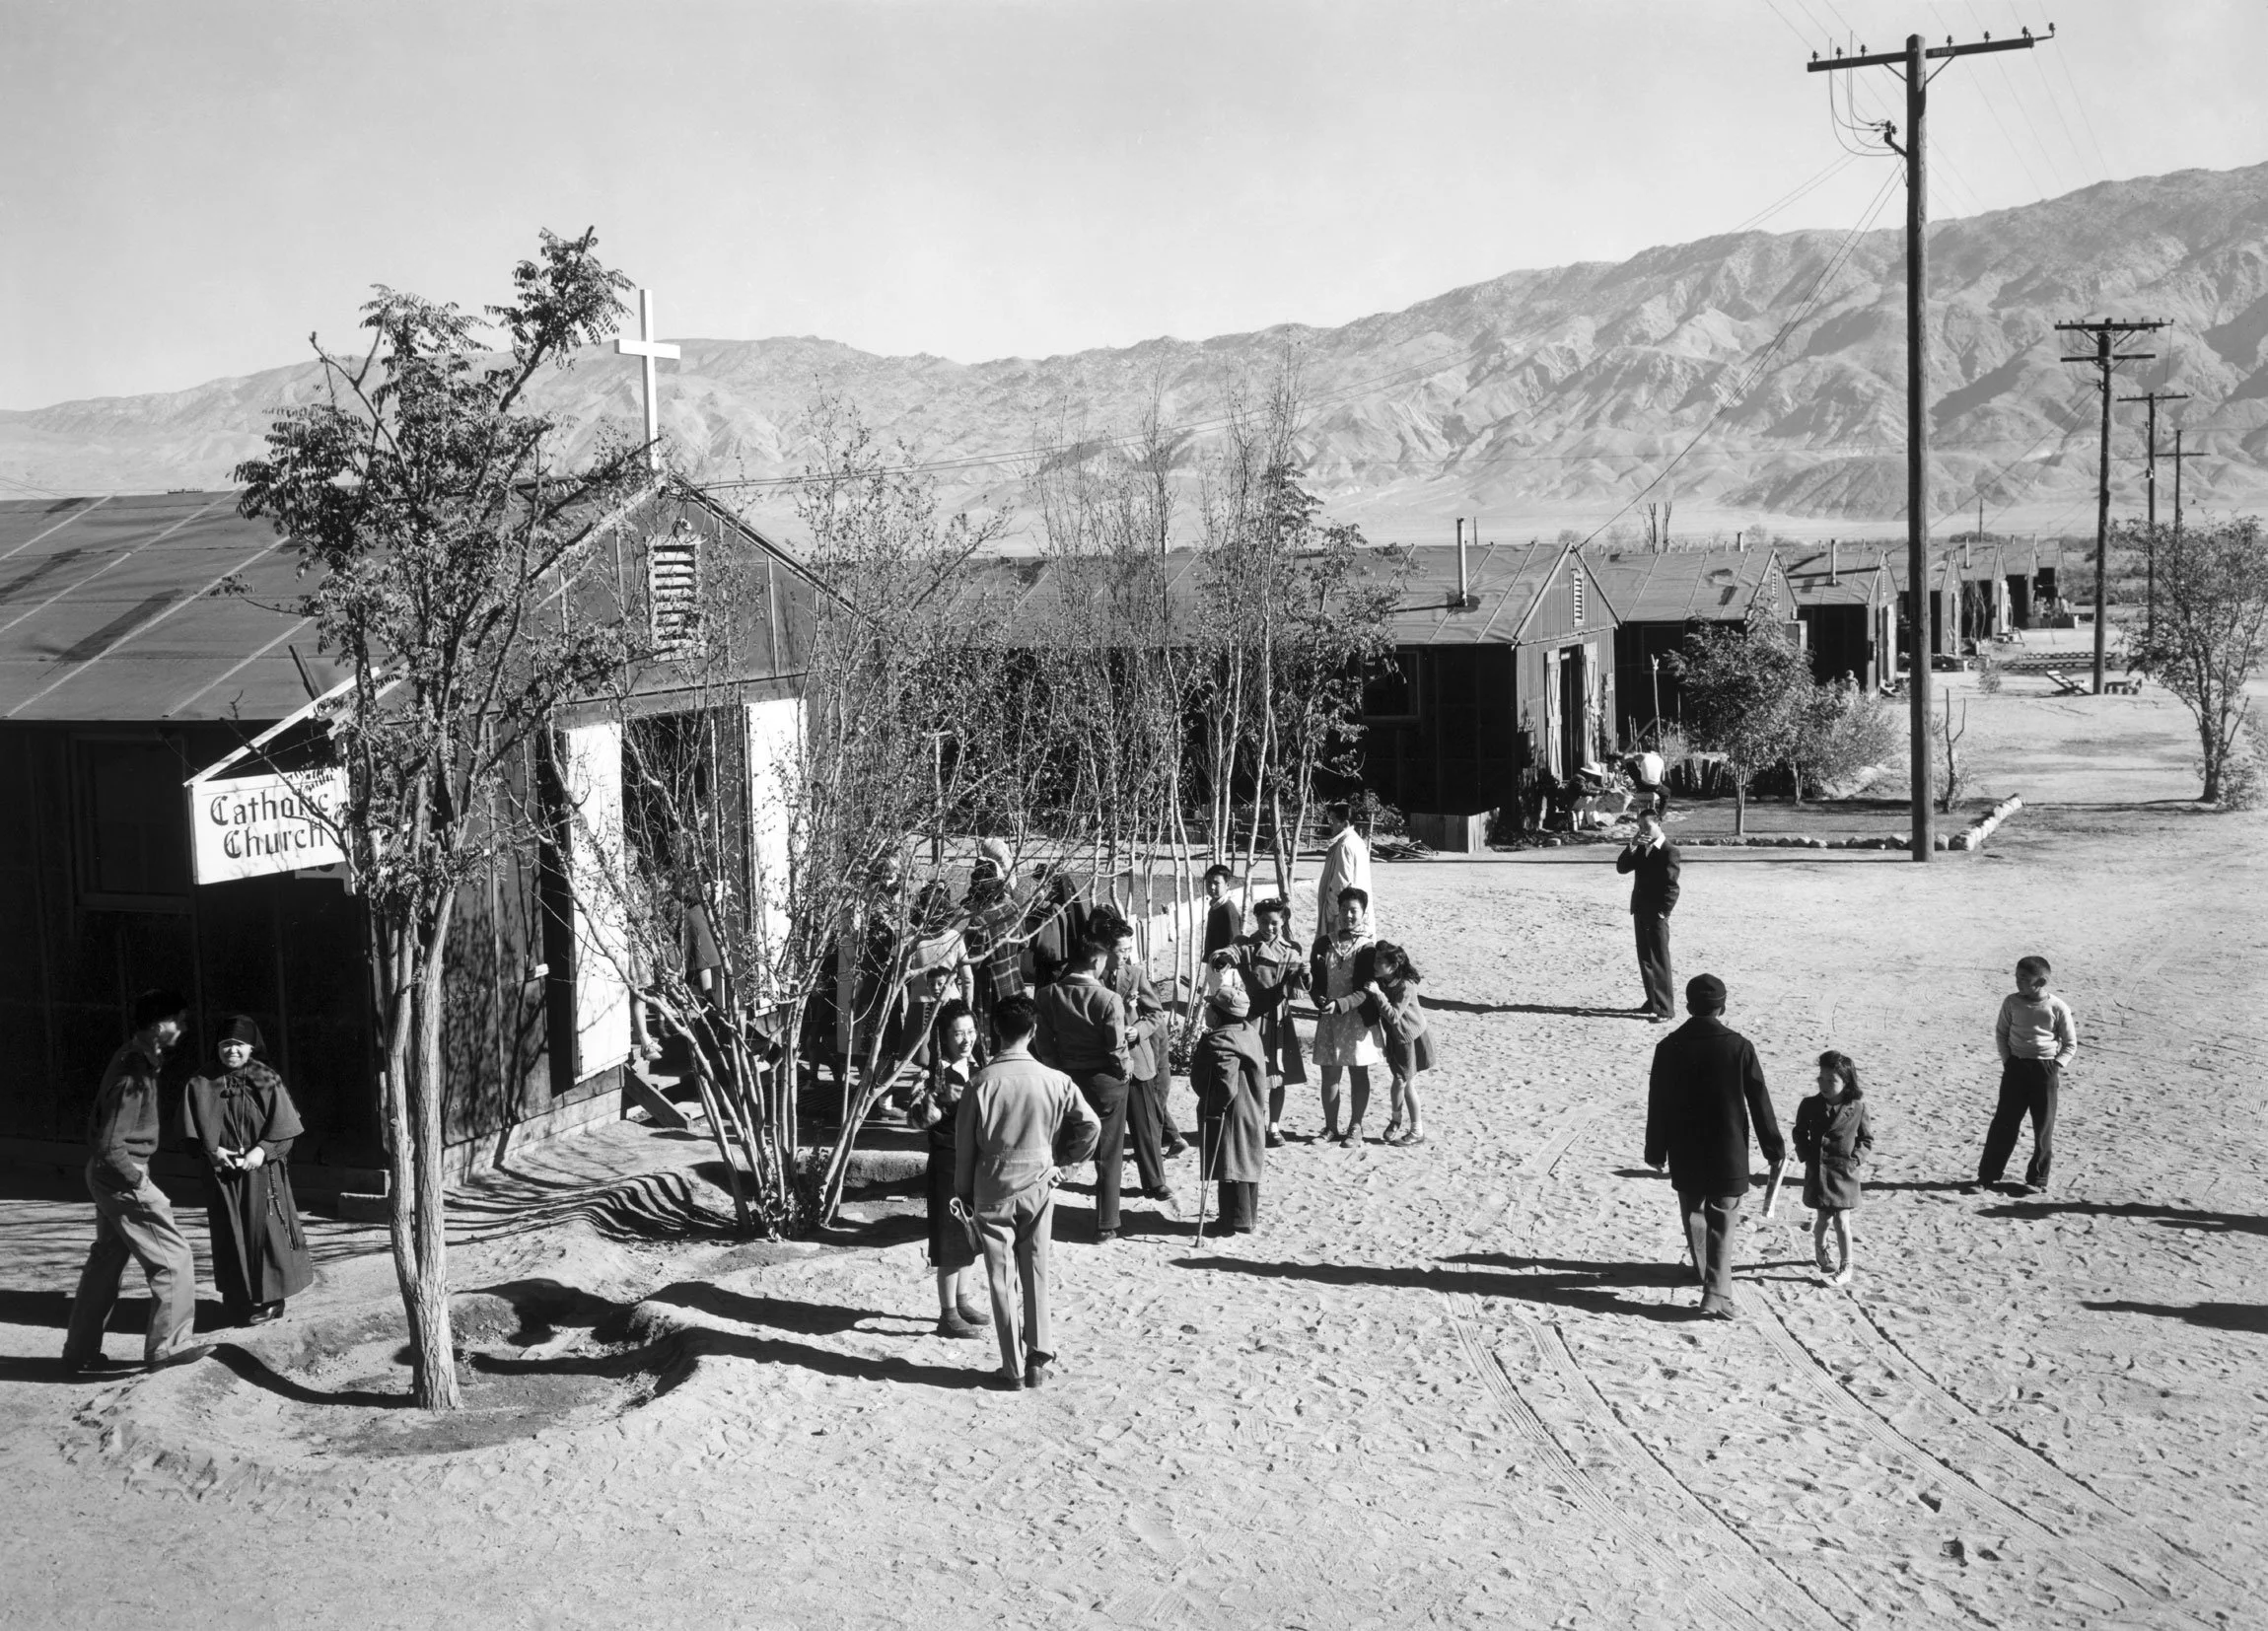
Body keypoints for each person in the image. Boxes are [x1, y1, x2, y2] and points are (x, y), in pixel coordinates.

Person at [955, 994, 1101, 1389]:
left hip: (991, 1187)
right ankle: (1039, 1353)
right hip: (1040, 1183)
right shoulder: (1056, 1080)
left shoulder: (980, 1083)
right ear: (1033, 1031)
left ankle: (1013, 1367)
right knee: (1036, 1268)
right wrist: (1068, 1167)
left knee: (1001, 1279)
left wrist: (962, 1194)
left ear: (993, 1031)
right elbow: (1091, 1126)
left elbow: (965, 1148)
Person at [62, 988, 199, 1374]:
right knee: (174, 1259)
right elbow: (109, 1144)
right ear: (159, 1027)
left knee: (107, 1259)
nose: (184, 1028)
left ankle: (80, 1351)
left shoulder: (136, 1058)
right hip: (121, 1174)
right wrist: (137, 1182)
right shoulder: (133, 1073)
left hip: (110, 1173)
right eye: (180, 1021)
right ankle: (168, 1348)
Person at [1643, 973, 1786, 1318]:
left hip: (1684, 1146)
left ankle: (1703, 1270)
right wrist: (1773, 1147)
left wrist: (1655, 1150)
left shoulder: (1669, 1046)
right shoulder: (1739, 1046)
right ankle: (1716, 1293)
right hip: (1728, 1148)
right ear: (1722, 1006)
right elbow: (1759, 1100)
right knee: (1723, 1216)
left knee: (1694, 1211)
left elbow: (1658, 1102)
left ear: (1689, 1006)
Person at [182, 1016, 315, 1326]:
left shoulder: (266, 1078)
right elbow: (190, 1133)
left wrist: (262, 1151)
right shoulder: (200, 1081)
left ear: (250, 1047)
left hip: (261, 1173)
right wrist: (212, 1152)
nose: (232, 1051)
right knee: (228, 1232)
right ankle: (237, 1297)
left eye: (239, 1045)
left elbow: (286, 1130)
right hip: (223, 1174)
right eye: (225, 1044)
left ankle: (271, 1299)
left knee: (264, 1233)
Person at [1033, 928, 1156, 1242]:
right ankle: (1106, 1223)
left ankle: (1034, 1208)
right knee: (1108, 1154)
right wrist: (1126, 1069)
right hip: (1105, 1083)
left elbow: (1044, 1043)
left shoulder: (1047, 994)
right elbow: (1116, 1048)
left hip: (1065, 1080)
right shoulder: (1107, 998)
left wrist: (1056, 1071)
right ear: (1095, 960)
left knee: (1056, 1148)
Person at [910, 999, 989, 1339]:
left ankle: (962, 1300)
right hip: (947, 1165)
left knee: (970, 1235)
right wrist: (939, 1100)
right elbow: (916, 1119)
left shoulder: (977, 1067)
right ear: (944, 1036)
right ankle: (947, 1314)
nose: (966, 1039)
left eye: (970, 1031)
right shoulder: (933, 1076)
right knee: (949, 1239)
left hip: (975, 1165)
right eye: (958, 1033)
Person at [1969, 956, 2078, 1196]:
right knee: (2003, 1125)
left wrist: (2056, 1066)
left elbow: (2070, 1043)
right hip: (2016, 1069)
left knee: (2043, 1127)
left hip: (2045, 1071)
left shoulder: (2057, 1007)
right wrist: (2008, 1061)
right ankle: (1986, 1177)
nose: (2018, 982)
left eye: (2024, 979)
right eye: (2017, 977)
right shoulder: (2011, 1002)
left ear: (2041, 981)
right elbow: (2002, 1033)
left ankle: (2037, 1179)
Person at [1097, 905, 1184, 1173]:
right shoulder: (1093, 978)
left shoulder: (1136, 974)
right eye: (1121, 950)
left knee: (1146, 1126)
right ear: (1105, 950)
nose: (1126, 955)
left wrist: (1139, 1030)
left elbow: (1156, 1014)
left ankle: (1155, 1179)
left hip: (1138, 1060)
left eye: (1128, 949)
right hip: (1105, 1060)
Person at [1216, 898, 1308, 1146]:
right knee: (1249, 1073)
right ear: (1257, 920)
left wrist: (1304, 975)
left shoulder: (1291, 950)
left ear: (1284, 921)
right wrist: (1221, 957)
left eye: (1275, 922)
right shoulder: (1245, 945)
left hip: (1278, 1017)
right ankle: (1253, 1121)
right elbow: (1229, 953)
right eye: (1264, 922)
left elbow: (1300, 978)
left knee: (1277, 1074)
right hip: (1251, 1018)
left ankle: (1274, 1126)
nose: (1269, 927)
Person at [1189, 967, 1268, 1235]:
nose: (1208, 1011)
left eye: (1211, 1008)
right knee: (1246, 1160)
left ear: (1220, 1014)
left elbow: (1225, 1081)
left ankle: (1233, 1221)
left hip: (1232, 1111)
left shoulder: (1222, 1040)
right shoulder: (1248, 1032)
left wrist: (1214, 1105)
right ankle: (1246, 1218)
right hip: (1251, 1107)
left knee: (1230, 1163)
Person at [1310, 886, 1383, 1146]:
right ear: (1337, 911)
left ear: (1363, 914)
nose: (1348, 915)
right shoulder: (1323, 943)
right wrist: (1318, 998)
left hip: (1357, 1021)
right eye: (1344, 910)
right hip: (1329, 1019)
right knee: (1330, 1076)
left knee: (1357, 1075)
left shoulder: (1369, 948)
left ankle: (1355, 1127)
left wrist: (1341, 1004)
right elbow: (1315, 981)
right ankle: (1330, 1127)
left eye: (1354, 910)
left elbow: (1368, 990)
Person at [1794, 1050, 1873, 1286]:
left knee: (1842, 1219)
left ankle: (1847, 1265)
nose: (1824, 1084)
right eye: (1821, 1078)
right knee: (1823, 1219)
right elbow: (1799, 1133)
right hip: (1818, 1172)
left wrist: (1855, 1159)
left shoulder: (1857, 1108)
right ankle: (1821, 1250)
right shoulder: (1809, 1105)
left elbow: (1866, 1139)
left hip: (1844, 1173)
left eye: (1832, 1080)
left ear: (1846, 1082)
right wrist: (1807, 1155)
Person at [1615, 810, 1681, 1021]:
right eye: (1640, 827)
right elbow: (1622, 868)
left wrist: (1664, 912)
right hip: (1641, 910)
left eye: (1647, 827)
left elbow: (1672, 887)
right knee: (1645, 958)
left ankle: (1665, 1008)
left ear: (1658, 824)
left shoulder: (1669, 851)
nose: (1643, 831)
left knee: (1659, 959)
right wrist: (1632, 845)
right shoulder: (1643, 848)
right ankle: (1652, 1000)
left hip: (1657, 914)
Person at [1368, 941, 1433, 1148]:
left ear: (1393, 966)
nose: (1375, 964)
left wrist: (1377, 994)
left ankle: (1413, 1129)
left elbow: (1394, 1016)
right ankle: (1399, 1122)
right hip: (1396, 1038)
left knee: (1403, 1082)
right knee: (1401, 1082)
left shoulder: (1405, 986)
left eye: (1380, 961)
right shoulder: (1385, 980)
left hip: (1409, 1039)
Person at [1314, 801, 1375, 939]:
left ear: (1345, 823)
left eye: (1333, 820)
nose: (1330, 824)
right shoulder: (1355, 841)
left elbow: (1341, 886)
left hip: (1343, 916)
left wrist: (1333, 916)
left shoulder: (1345, 845)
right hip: (1355, 911)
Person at [1201, 864, 1244, 958]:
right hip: (1214, 961)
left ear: (1227, 885)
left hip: (1223, 965)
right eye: (1208, 882)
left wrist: (1222, 964)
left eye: (1216, 883)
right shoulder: (1215, 906)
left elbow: (1233, 941)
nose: (1211, 887)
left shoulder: (1227, 909)